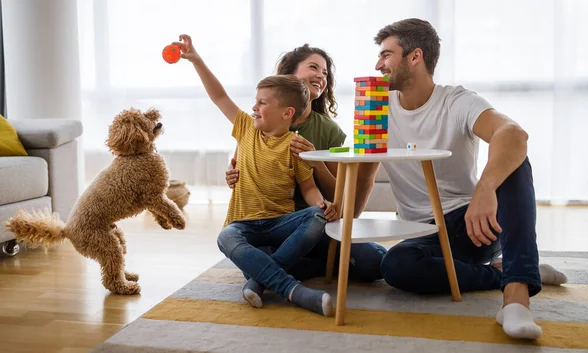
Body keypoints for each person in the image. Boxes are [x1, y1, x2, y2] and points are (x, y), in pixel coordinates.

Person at [353, 18, 566, 340]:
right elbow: (366, 169)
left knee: (515, 161)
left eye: (386, 55)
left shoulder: (456, 100)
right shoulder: (377, 104)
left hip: (471, 224)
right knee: (397, 265)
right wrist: (344, 221)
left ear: (415, 57)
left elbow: (512, 132)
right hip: (420, 231)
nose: (378, 64)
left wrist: (485, 189)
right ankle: (505, 271)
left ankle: (516, 297)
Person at [173, 34, 339, 317]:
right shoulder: (246, 127)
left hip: (278, 227)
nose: (254, 107)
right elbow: (219, 96)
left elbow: (309, 188)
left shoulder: (295, 146)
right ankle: (294, 291)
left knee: (316, 218)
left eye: (262, 103)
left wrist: (322, 205)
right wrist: (196, 59)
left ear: (287, 113)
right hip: (245, 226)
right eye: (255, 101)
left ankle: (258, 281)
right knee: (226, 236)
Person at [226, 44, 387, 282]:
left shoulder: (329, 130)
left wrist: (316, 164)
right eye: (314, 67)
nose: (321, 76)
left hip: (315, 225)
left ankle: (279, 270)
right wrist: (232, 174)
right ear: (289, 75)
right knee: (252, 257)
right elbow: (239, 165)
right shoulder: (259, 122)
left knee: (375, 262)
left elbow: (340, 198)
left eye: (324, 73)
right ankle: (310, 266)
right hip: (271, 224)